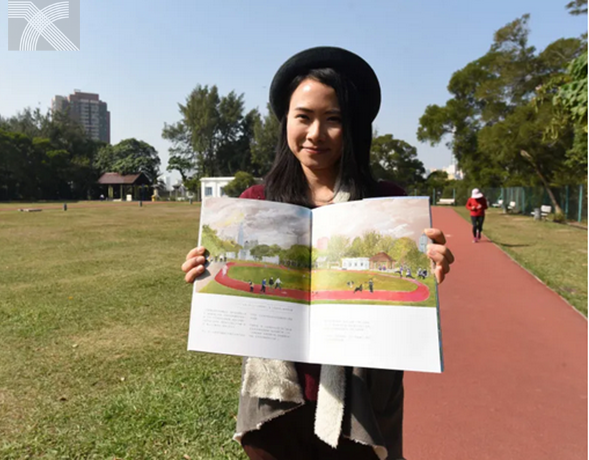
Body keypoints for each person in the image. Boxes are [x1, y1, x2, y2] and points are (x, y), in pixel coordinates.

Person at [181, 46, 455, 460]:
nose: (315, 134)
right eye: (303, 117)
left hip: (362, 407)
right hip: (275, 407)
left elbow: (409, 292)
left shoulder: (385, 202)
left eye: (334, 120)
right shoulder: (257, 202)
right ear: (285, 121)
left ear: (355, 127)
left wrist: (430, 264)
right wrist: (203, 268)